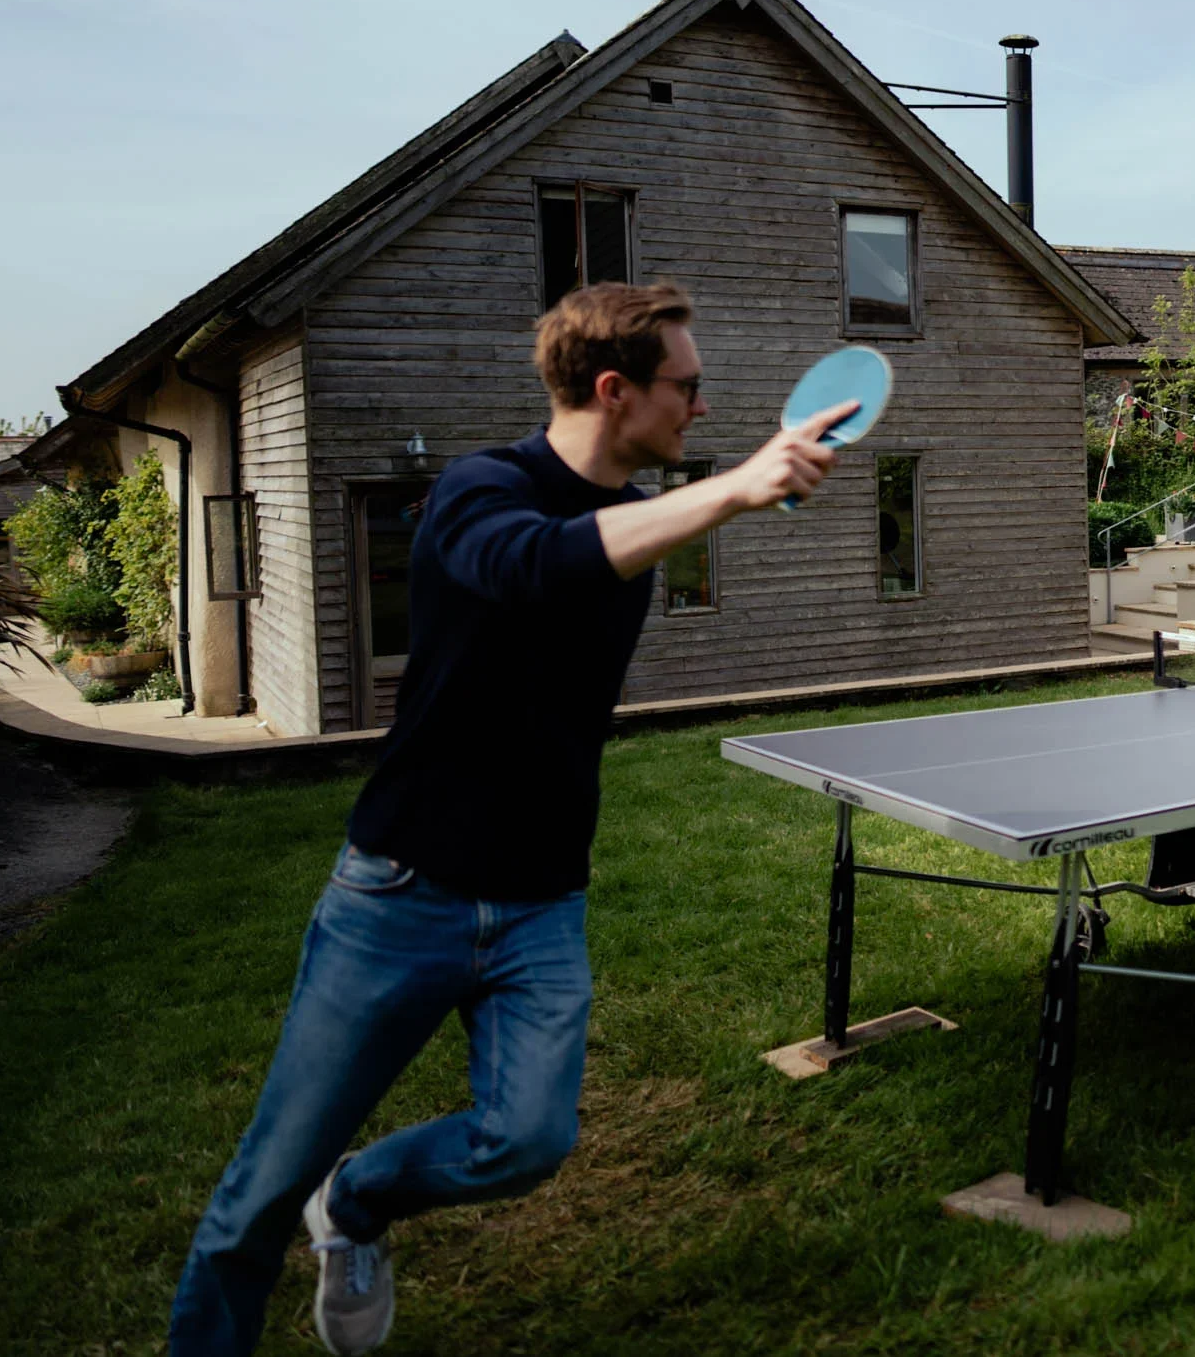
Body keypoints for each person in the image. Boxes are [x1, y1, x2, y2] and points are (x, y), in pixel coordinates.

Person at [170, 283, 858, 1356]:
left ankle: (355, 1200)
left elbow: (597, 555)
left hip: (541, 896)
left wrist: (730, 492)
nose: (705, 408)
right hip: (400, 889)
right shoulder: (479, 487)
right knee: (257, 1191)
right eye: (688, 385)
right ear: (613, 387)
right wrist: (732, 492)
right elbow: (528, 566)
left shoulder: (633, 512)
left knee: (527, 1140)